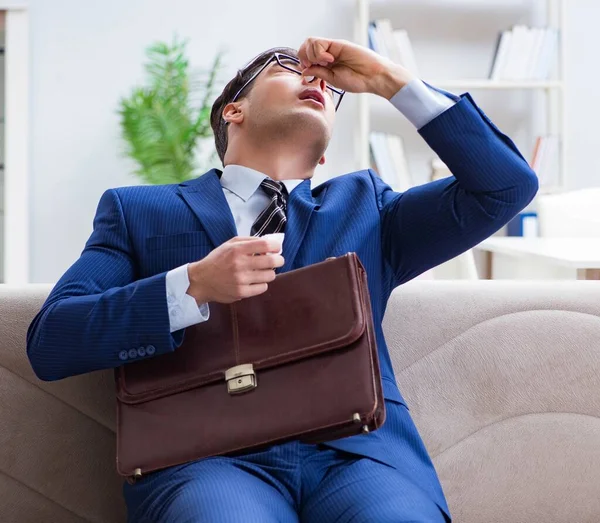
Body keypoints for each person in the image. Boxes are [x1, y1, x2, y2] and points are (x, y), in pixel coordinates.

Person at [27, 36, 538, 522]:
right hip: (207, 459)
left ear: (323, 156)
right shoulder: (139, 211)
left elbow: (506, 186)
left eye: (332, 91)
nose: (317, 80)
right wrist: (192, 285)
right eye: (286, 66)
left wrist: (388, 79)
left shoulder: (368, 208)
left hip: (357, 456)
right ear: (234, 111)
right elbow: (52, 340)